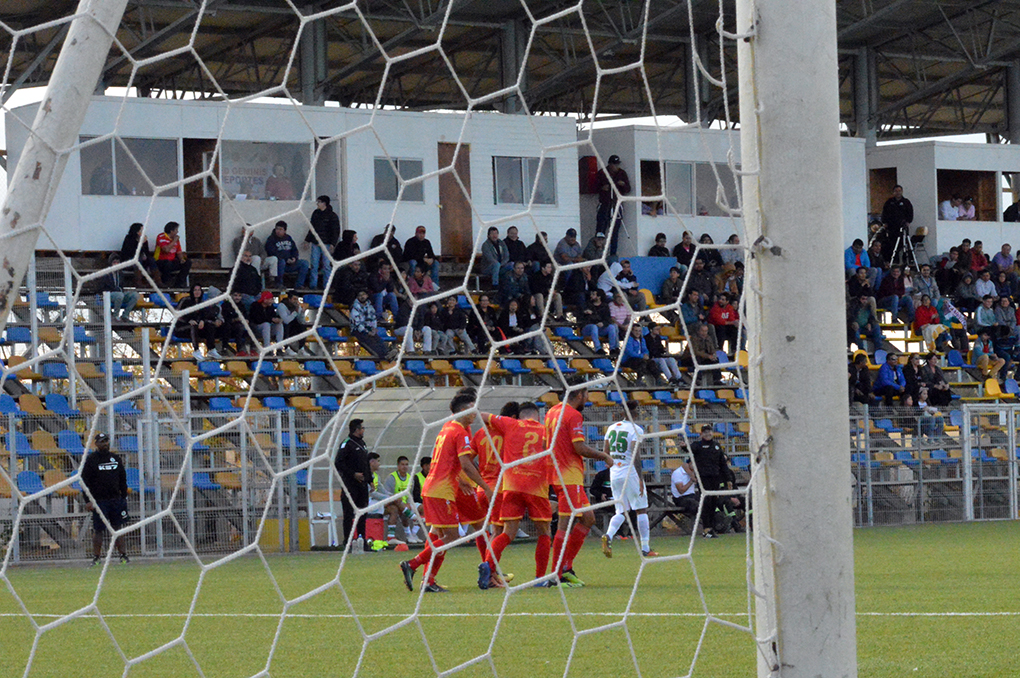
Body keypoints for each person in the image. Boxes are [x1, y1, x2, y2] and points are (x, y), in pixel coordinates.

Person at [400, 389, 490, 593]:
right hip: (442, 491)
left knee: (440, 534)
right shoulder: (460, 431)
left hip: (433, 488)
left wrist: (460, 480)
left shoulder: (446, 428)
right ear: (463, 410)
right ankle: (413, 564)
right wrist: (485, 487)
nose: (475, 413)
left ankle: (428, 581)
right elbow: (465, 464)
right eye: (472, 409)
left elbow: (446, 461)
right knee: (452, 536)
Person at [476, 401, 553, 587]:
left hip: (511, 485)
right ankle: (539, 578)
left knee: (506, 532)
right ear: (538, 416)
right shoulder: (546, 431)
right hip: (536, 486)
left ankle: (488, 565)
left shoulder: (511, 424)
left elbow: (483, 415)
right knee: (544, 533)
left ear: (520, 416)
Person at [545, 387, 614, 587]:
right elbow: (579, 447)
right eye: (586, 395)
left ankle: (566, 567)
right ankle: (555, 575)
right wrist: (604, 456)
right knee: (564, 526)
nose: (588, 399)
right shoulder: (573, 414)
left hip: (559, 473)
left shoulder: (552, 411)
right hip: (567, 476)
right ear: (578, 395)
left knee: (588, 518)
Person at [600, 402, 657, 558]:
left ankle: (609, 535)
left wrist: (614, 464)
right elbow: (635, 456)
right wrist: (639, 478)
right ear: (635, 413)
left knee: (621, 510)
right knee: (641, 509)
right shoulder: (636, 429)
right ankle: (645, 548)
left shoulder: (611, 428)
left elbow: (605, 453)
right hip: (629, 472)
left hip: (615, 473)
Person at [81, 433, 130, 566]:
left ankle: (123, 556)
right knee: (98, 530)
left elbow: (122, 479)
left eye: (106, 441)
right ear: (96, 444)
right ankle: (96, 557)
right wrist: (88, 500)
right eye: (101, 442)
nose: (104, 444)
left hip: (115, 500)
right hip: (99, 501)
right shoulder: (91, 460)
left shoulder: (115, 458)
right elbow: (84, 482)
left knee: (118, 528)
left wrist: (123, 497)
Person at [335, 419, 372, 553]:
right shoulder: (347, 444)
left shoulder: (362, 444)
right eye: (362, 428)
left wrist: (370, 480)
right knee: (349, 514)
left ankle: (362, 540)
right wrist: (353, 474)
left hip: (362, 485)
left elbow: (366, 463)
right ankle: (348, 541)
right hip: (350, 485)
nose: (363, 430)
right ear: (356, 429)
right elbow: (338, 463)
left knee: (362, 513)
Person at [689, 424, 726, 538]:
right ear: (701, 434)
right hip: (703, 478)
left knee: (714, 502)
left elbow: (722, 464)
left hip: (715, 477)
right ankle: (706, 528)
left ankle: (711, 528)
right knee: (706, 501)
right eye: (705, 432)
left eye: (709, 431)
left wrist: (727, 479)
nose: (707, 434)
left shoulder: (716, 446)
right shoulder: (698, 445)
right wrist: (685, 446)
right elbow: (690, 449)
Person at [381, 456, 422, 544]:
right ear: (398, 466)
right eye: (402, 464)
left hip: (404, 504)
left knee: (423, 508)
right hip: (392, 502)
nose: (405, 467)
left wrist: (408, 504)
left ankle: (413, 534)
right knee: (398, 504)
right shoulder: (391, 478)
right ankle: (411, 523)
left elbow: (409, 495)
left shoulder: (410, 478)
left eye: (406, 464)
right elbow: (387, 495)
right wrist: (399, 501)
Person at [175, 284, 222, 360]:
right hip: (182, 327)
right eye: (195, 290)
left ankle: (211, 349)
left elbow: (203, 315)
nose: (197, 292)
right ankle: (196, 350)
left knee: (210, 325)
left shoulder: (201, 303)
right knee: (193, 326)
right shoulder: (185, 300)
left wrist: (202, 321)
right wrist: (188, 320)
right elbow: (177, 314)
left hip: (196, 328)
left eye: (199, 290)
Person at [596, 155, 631, 256]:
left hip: (616, 205)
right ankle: (598, 254)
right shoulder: (602, 173)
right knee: (600, 230)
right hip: (604, 204)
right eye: (614, 164)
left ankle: (612, 254)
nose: (616, 166)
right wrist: (602, 188)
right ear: (610, 164)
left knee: (614, 232)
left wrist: (623, 185)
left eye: (617, 164)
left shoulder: (622, 173)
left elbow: (628, 189)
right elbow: (595, 187)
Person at [306, 195, 340, 289]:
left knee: (326, 266)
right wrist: (307, 240)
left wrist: (333, 244)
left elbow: (335, 231)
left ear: (324, 203)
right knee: (314, 265)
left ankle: (327, 286)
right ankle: (313, 285)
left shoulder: (332, 216)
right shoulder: (315, 213)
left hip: (326, 244)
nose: (317, 204)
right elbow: (312, 228)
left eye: (319, 202)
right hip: (316, 243)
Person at [265, 221, 310, 289]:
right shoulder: (271, 239)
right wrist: (286, 259)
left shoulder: (288, 238)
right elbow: (272, 252)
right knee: (281, 261)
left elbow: (294, 250)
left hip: (290, 264)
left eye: (280, 229)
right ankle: (279, 283)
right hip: (279, 265)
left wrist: (294, 258)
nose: (278, 231)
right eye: (277, 229)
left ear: (285, 230)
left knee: (304, 263)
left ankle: (299, 285)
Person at [97, 252, 139, 321]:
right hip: (109, 294)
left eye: (118, 262)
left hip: (120, 293)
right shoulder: (105, 273)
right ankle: (115, 315)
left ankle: (125, 315)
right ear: (111, 263)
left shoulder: (120, 274)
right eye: (114, 262)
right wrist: (113, 290)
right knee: (119, 295)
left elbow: (122, 286)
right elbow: (101, 287)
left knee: (135, 295)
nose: (116, 264)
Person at [350, 289, 389, 358]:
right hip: (358, 330)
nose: (362, 297)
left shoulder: (370, 307)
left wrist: (374, 328)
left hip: (368, 328)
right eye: (360, 295)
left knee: (377, 338)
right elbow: (357, 324)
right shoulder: (355, 308)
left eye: (363, 295)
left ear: (367, 295)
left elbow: (373, 319)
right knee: (369, 339)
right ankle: (383, 356)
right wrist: (367, 332)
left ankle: (388, 353)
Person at [580, 289, 619, 356]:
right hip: (588, 328)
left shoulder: (605, 306)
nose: (591, 296)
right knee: (593, 327)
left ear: (599, 297)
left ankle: (612, 349)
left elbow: (608, 319)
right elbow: (585, 318)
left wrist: (603, 323)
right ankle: (598, 348)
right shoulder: (588, 305)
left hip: (599, 328)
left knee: (611, 327)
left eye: (593, 294)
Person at [880, 185, 913, 262]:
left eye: (899, 191)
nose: (898, 193)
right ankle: (894, 261)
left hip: (902, 228)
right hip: (892, 228)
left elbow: (910, 213)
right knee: (892, 245)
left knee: (903, 245)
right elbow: (884, 213)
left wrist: (908, 221)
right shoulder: (889, 202)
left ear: (902, 191)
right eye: (896, 191)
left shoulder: (906, 202)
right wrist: (884, 222)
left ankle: (905, 262)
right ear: (893, 192)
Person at [154, 221, 191, 287]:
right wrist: (174, 241)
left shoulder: (176, 239)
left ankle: (179, 283)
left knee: (188, 262)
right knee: (167, 263)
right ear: (171, 231)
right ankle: (165, 283)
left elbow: (179, 252)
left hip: (172, 261)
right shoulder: (161, 237)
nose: (177, 232)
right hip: (160, 261)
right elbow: (166, 250)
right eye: (176, 230)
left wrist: (182, 259)